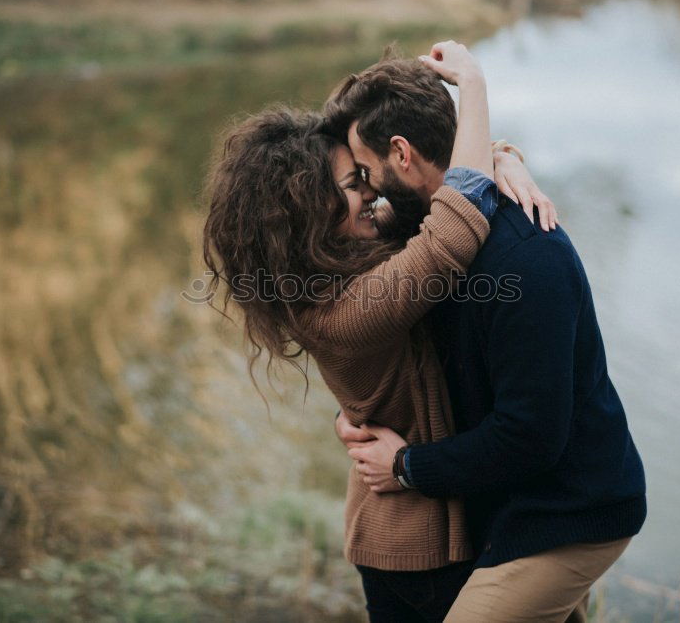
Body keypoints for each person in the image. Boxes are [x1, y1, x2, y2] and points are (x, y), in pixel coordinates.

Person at [203, 44, 554, 621]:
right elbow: (453, 226)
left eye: (364, 175)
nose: (372, 191)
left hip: (444, 524)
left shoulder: (341, 256)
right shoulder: (341, 308)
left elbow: (436, 185)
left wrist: (503, 157)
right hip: (414, 551)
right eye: (353, 183)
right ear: (308, 211)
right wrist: (474, 89)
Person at [327, 42, 647, 622]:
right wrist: (502, 152)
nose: (366, 193)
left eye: (366, 172)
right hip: (501, 503)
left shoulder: (528, 259)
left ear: (401, 154)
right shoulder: (423, 228)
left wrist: (407, 467)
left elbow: (530, 436)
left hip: (568, 512)